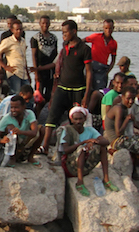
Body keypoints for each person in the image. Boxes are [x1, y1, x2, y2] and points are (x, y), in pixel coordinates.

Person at [39, 20, 92, 156]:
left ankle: (76, 146)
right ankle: (44, 146)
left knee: (77, 120)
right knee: (52, 116)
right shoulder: (64, 47)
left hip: (77, 89)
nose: (63, 35)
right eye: (62, 33)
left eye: (65, 32)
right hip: (62, 87)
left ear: (74, 31)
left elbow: (89, 72)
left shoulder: (84, 49)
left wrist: (86, 94)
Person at [57, 106, 113, 196]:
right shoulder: (68, 130)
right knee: (83, 149)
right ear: (72, 120)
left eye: (80, 119)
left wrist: (94, 142)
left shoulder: (89, 130)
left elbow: (106, 141)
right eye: (76, 119)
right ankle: (80, 182)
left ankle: (106, 179)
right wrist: (84, 142)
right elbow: (66, 150)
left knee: (102, 147)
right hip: (71, 166)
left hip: (86, 165)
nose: (78, 121)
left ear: (85, 119)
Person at [0, 94, 42, 166]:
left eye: (16, 107)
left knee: (42, 129)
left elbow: (34, 132)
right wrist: (2, 140)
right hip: (13, 142)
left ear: (24, 107)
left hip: (26, 139)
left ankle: (31, 156)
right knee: (10, 128)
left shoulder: (29, 113)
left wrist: (20, 132)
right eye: (12, 107)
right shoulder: (6, 118)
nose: (13, 110)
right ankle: (13, 157)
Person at [0, 19, 30, 95]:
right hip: (14, 73)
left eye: (20, 29)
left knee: (28, 94)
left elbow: (24, 58)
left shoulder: (23, 41)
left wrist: (28, 73)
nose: (19, 31)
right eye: (17, 30)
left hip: (23, 73)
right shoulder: (8, 41)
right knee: (15, 94)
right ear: (12, 30)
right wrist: (5, 66)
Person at [30, 15, 58, 105]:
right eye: (43, 23)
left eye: (47, 23)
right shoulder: (35, 38)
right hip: (40, 69)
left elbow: (56, 54)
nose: (45, 25)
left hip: (51, 69)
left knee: (50, 93)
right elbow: (34, 56)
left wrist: (57, 70)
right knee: (39, 95)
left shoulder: (54, 38)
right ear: (40, 24)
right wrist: (36, 72)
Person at [85, 19, 117, 91]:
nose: (108, 30)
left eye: (110, 28)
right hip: (91, 66)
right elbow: (81, 42)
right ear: (103, 28)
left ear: (113, 28)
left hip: (102, 69)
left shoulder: (114, 43)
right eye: (106, 28)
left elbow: (113, 60)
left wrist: (107, 71)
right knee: (86, 87)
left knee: (99, 91)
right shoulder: (96, 37)